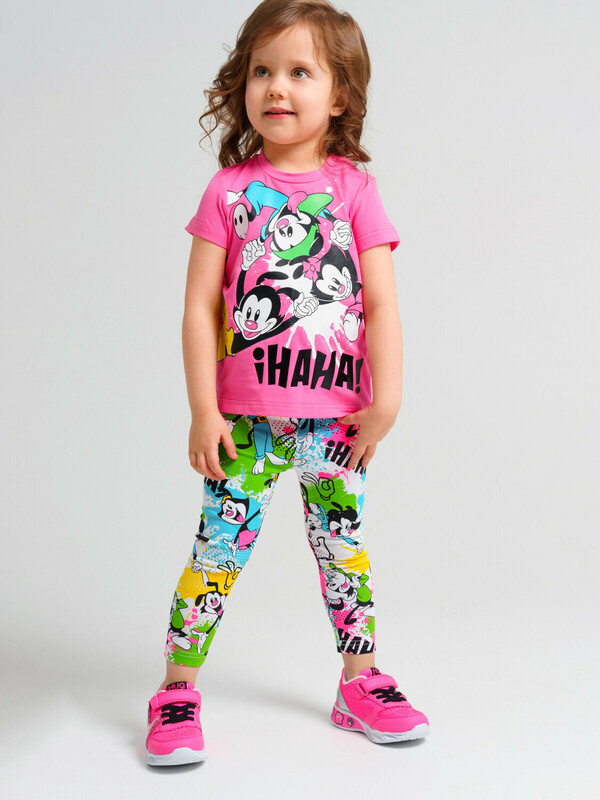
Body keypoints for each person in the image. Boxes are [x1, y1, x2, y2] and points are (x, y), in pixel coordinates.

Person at [146, 0, 429, 766]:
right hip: (244, 423)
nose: (277, 86)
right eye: (262, 71)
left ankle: (360, 683)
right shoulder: (229, 193)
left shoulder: (355, 192)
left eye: (300, 72)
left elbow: (382, 305)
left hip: (336, 423)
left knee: (343, 551)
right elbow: (200, 308)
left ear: (338, 95)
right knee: (216, 552)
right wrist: (203, 410)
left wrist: (387, 401)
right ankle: (176, 690)